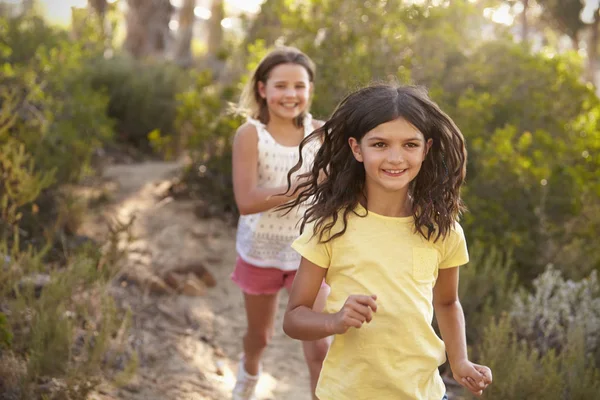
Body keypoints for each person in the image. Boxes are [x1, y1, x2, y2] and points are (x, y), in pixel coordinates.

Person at [280, 84, 493, 400]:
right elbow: (294, 318)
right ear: (357, 148)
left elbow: (447, 302)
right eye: (380, 144)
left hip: (426, 394)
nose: (395, 158)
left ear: (426, 148)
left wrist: (459, 360)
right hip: (347, 393)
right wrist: (334, 321)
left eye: (410, 144)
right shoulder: (331, 225)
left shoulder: (441, 230)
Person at [230, 46, 330, 400]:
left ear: (310, 89)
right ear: (262, 89)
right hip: (261, 251)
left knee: (319, 347)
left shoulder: (321, 135)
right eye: (281, 86)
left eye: (299, 86)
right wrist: (301, 186)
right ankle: (248, 377)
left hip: (310, 255)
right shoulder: (251, 135)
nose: (291, 95)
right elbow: (247, 201)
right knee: (261, 336)